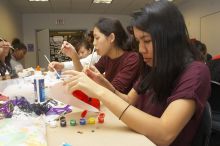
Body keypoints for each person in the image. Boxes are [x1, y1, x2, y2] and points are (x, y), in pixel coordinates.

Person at [63, 1, 211, 146]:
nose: (141, 49)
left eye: (146, 40)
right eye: (138, 41)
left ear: (170, 39)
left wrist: (99, 91)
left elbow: (164, 134)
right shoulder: (154, 65)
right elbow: (128, 100)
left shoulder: (196, 72)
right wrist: (104, 84)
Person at [54, 17, 141, 94]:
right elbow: (85, 75)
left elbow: (115, 92)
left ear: (111, 38)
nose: (94, 43)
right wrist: (74, 55)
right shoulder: (106, 57)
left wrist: (98, 81)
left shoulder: (132, 59)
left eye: (97, 38)